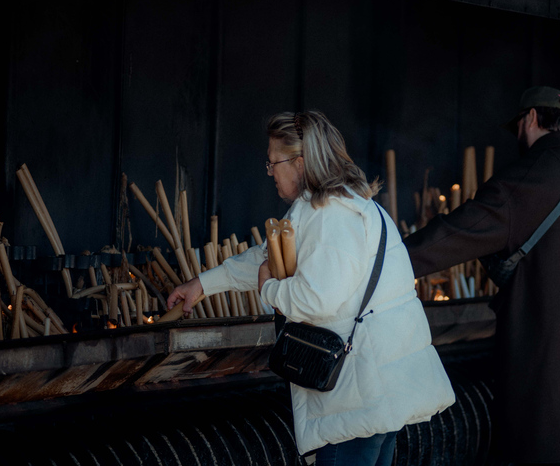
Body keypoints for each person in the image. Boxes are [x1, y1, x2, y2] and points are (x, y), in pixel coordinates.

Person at [167, 110, 456, 466]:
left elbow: (316, 297)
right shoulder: (340, 207)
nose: (270, 171)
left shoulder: (331, 216)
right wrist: (203, 284)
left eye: (273, 162)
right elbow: (268, 256)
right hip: (375, 390)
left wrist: (269, 289)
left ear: (300, 162)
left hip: (357, 398)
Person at [402, 86, 560, 466]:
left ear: (530, 118)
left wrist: (391, 258)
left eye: (518, 125)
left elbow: (460, 232)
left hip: (539, 354)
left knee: (539, 447)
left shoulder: (529, 174)